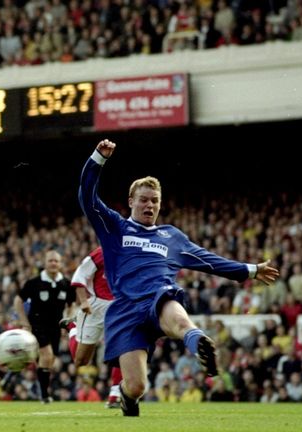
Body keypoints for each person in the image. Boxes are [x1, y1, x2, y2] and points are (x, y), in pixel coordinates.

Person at [78, 138, 280, 416]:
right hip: (125, 309)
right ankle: (127, 396)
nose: (149, 205)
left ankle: (200, 346)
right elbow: (86, 197)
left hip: (158, 297)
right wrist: (98, 158)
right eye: (144, 200)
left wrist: (252, 270)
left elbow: (209, 261)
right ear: (131, 202)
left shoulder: (172, 237)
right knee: (137, 386)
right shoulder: (116, 228)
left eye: (155, 201)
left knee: (179, 318)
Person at [64, 246, 123, 408]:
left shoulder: (136, 250)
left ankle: (115, 394)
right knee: (81, 360)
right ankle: (73, 327)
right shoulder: (102, 252)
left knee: (123, 347)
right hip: (96, 306)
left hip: (121, 306)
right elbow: (80, 275)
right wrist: (83, 301)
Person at [13, 249, 75, 403]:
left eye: (56, 261)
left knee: (49, 360)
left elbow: (71, 304)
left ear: (60, 264)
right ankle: (44, 395)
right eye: (50, 260)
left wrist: (67, 321)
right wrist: (24, 323)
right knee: (46, 355)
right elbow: (18, 301)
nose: (53, 263)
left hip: (55, 328)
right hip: (37, 325)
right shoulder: (34, 283)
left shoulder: (66, 284)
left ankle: (40, 389)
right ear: (45, 263)